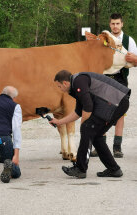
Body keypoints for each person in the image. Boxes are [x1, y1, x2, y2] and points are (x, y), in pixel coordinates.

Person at [49, 70, 130, 179]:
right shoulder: (76, 86)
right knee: (96, 136)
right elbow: (78, 112)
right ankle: (114, 169)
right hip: (117, 102)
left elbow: (88, 106)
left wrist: (84, 125)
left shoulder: (78, 81)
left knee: (87, 129)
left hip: (117, 102)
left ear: (65, 83)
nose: (60, 89)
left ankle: (80, 169)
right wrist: (59, 122)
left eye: (59, 86)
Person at [91, 13, 137, 158]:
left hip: (120, 78)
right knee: (100, 111)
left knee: (120, 113)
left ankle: (117, 147)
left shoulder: (128, 40)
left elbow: (135, 61)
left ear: (122, 24)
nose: (115, 26)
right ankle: (99, 146)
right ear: (109, 25)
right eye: (113, 24)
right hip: (104, 78)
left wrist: (135, 58)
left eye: (118, 23)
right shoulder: (103, 39)